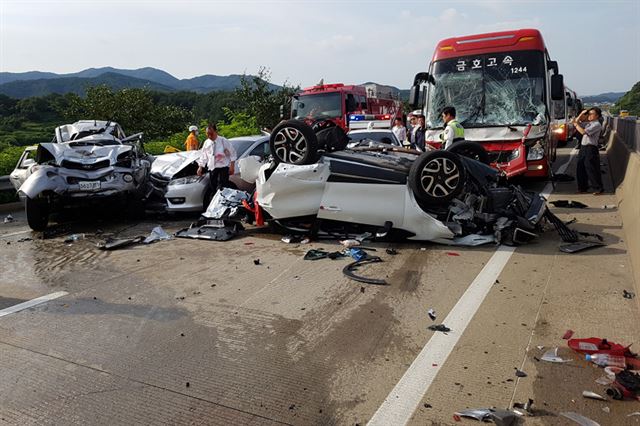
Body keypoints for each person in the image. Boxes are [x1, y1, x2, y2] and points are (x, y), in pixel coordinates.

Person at [196, 124, 237, 193]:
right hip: (212, 168)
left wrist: (232, 166)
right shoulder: (207, 142)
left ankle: (222, 200)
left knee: (222, 187)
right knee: (213, 187)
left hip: (223, 167)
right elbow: (204, 156)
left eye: (211, 134)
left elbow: (232, 153)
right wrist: (200, 167)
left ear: (216, 132)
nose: (209, 136)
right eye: (207, 134)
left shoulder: (223, 141)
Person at [573, 107, 604, 195]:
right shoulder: (589, 123)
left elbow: (583, 132)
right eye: (588, 114)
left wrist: (576, 125)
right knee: (580, 168)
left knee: (591, 168)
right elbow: (575, 122)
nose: (589, 116)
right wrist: (581, 114)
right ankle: (582, 188)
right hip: (583, 147)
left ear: (597, 116)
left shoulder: (596, 125)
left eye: (591, 114)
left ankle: (598, 188)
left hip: (591, 148)